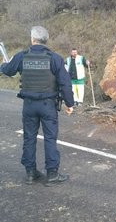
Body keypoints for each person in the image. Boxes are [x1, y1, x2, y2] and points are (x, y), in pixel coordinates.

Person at [0, 26, 74, 187]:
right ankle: (52, 174)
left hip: (29, 105)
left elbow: (7, 70)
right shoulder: (55, 58)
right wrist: (70, 104)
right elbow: (65, 84)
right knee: (50, 138)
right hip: (48, 105)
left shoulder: (21, 56)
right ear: (46, 40)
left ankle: (31, 173)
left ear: (32, 39)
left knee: (29, 137)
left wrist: (5, 63)